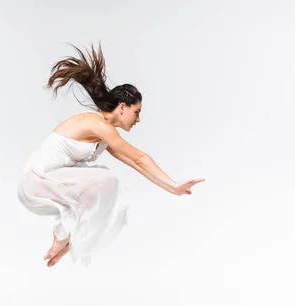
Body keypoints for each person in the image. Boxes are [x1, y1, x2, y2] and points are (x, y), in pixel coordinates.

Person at [17, 43, 205, 268]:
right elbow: (139, 157)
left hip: (49, 182)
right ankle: (62, 235)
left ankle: (67, 240)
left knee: (105, 185)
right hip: (36, 179)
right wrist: (173, 185)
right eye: (137, 112)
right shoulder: (97, 124)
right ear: (123, 107)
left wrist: (171, 188)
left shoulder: (104, 134)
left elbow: (136, 164)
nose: (138, 119)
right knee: (106, 181)